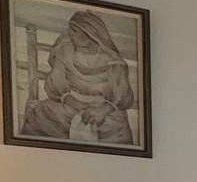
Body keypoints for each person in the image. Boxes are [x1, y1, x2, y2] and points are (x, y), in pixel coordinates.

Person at [20, 10, 137, 144]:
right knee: (42, 115)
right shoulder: (65, 52)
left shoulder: (113, 61)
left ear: (90, 33)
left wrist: (101, 110)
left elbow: (121, 96)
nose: (70, 34)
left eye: (74, 30)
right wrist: (80, 106)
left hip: (104, 107)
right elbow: (56, 86)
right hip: (69, 102)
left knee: (116, 129)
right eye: (70, 30)